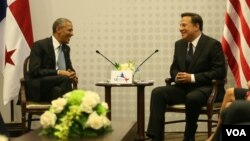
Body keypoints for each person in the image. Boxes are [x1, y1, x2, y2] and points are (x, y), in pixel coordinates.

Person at [146, 12, 226, 141]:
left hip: (206, 88)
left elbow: (220, 72)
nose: (180, 28)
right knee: (157, 93)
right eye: (180, 25)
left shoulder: (212, 45)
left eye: (184, 25)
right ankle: (156, 136)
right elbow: (174, 68)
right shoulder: (179, 44)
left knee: (192, 98)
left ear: (196, 26)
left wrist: (193, 77)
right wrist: (176, 76)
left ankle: (189, 136)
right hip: (183, 88)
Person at [27, 18, 78, 102]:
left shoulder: (66, 49)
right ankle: (69, 109)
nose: (72, 34)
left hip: (57, 86)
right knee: (64, 79)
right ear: (58, 29)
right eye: (69, 30)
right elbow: (34, 71)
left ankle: (65, 110)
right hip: (40, 86)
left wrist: (72, 74)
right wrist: (59, 72)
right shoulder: (40, 45)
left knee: (59, 89)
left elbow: (69, 68)